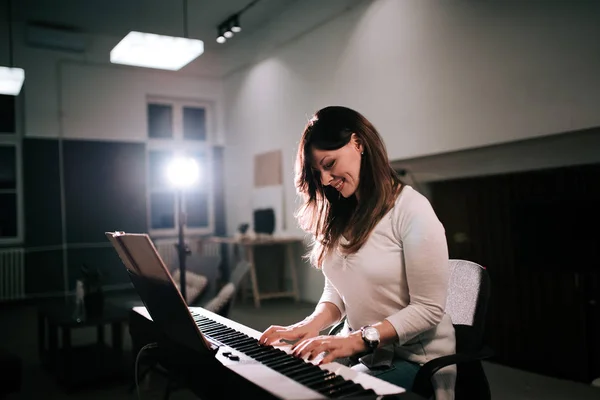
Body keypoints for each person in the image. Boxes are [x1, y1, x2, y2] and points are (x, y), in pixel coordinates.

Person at [258, 106, 456, 399]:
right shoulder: (342, 214)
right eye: (318, 172)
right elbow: (338, 289)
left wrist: (357, 340)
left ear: (358, 143)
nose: (325, 180)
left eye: (329, 164)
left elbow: (428, 310)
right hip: (363, 352)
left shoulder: (411, 210)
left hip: (415, 359)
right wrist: (309, 325)